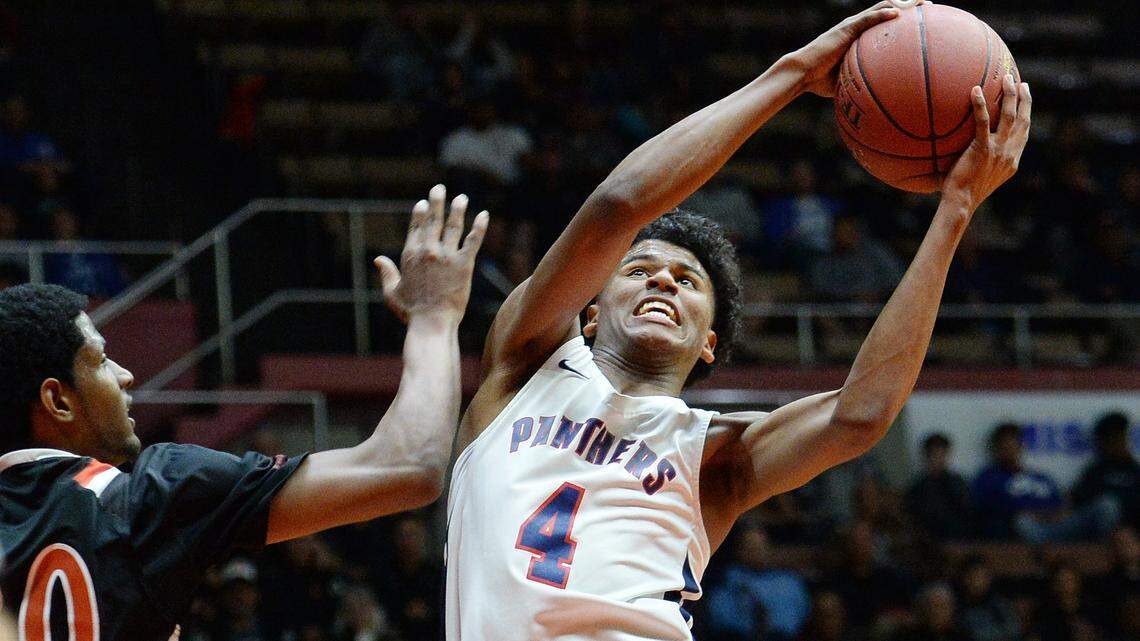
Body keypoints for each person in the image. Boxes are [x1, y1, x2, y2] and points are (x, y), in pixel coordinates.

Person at [444, 0, 1032, 638]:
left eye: (688, 282)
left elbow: (860, 413)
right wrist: (791, 74)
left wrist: (956, 210)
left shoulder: (713, 454)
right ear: (588, 314)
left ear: (708, 344)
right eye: (639, 271)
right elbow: (618, 206)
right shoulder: (525, 365)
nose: (664, 278)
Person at [0, 186, 488, 640]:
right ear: (57, 400)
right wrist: (434, 316)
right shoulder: (148, 495)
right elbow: (406, 467)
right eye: (102, 360)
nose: (125, 375)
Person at [974, 423, 1119, 543]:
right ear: (997, 449)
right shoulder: (988, 478)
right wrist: (1038, 515)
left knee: (1106, 505)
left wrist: (1057, 514)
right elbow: (996, 510)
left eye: (1013, 445)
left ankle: (1097, 548)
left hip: (1060, 526)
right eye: (1005, 447)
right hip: (1031, 531)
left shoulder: (1041, 478)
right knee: (1022, 522)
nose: (1010, 451)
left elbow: (1064, 506)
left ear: (1021, 446)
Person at [1071, 412, 1140, 528]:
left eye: (1119, 438)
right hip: (1096, 531)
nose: (1117, 444)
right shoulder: (1095, 471)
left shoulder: (1136, 472)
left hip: (1130, 531)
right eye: (1111, 439)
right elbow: (1077, 503)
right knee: (1107, 505)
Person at [906, 433, 974, 539]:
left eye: (941, 454)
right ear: (926, 456)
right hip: (930, 539)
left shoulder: (957, 482)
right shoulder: (918, 487)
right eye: (934, 454)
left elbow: (967, 510)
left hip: (960, 536)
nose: (937, 459)